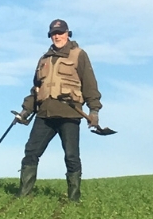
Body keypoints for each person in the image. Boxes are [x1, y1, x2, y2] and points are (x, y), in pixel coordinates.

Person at [16, 18, 101, 202]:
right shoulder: (44, 59)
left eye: (60, 32)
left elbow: (90, 84)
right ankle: (23, 196)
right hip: (45, 113)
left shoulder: (79, 55)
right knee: (31, 152)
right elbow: (36, 89)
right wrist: (25, 111)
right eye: (54, 33)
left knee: (71, 156)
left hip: (69, 114)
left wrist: (94, 110)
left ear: (68, 33)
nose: (57, 36)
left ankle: (74, 200)